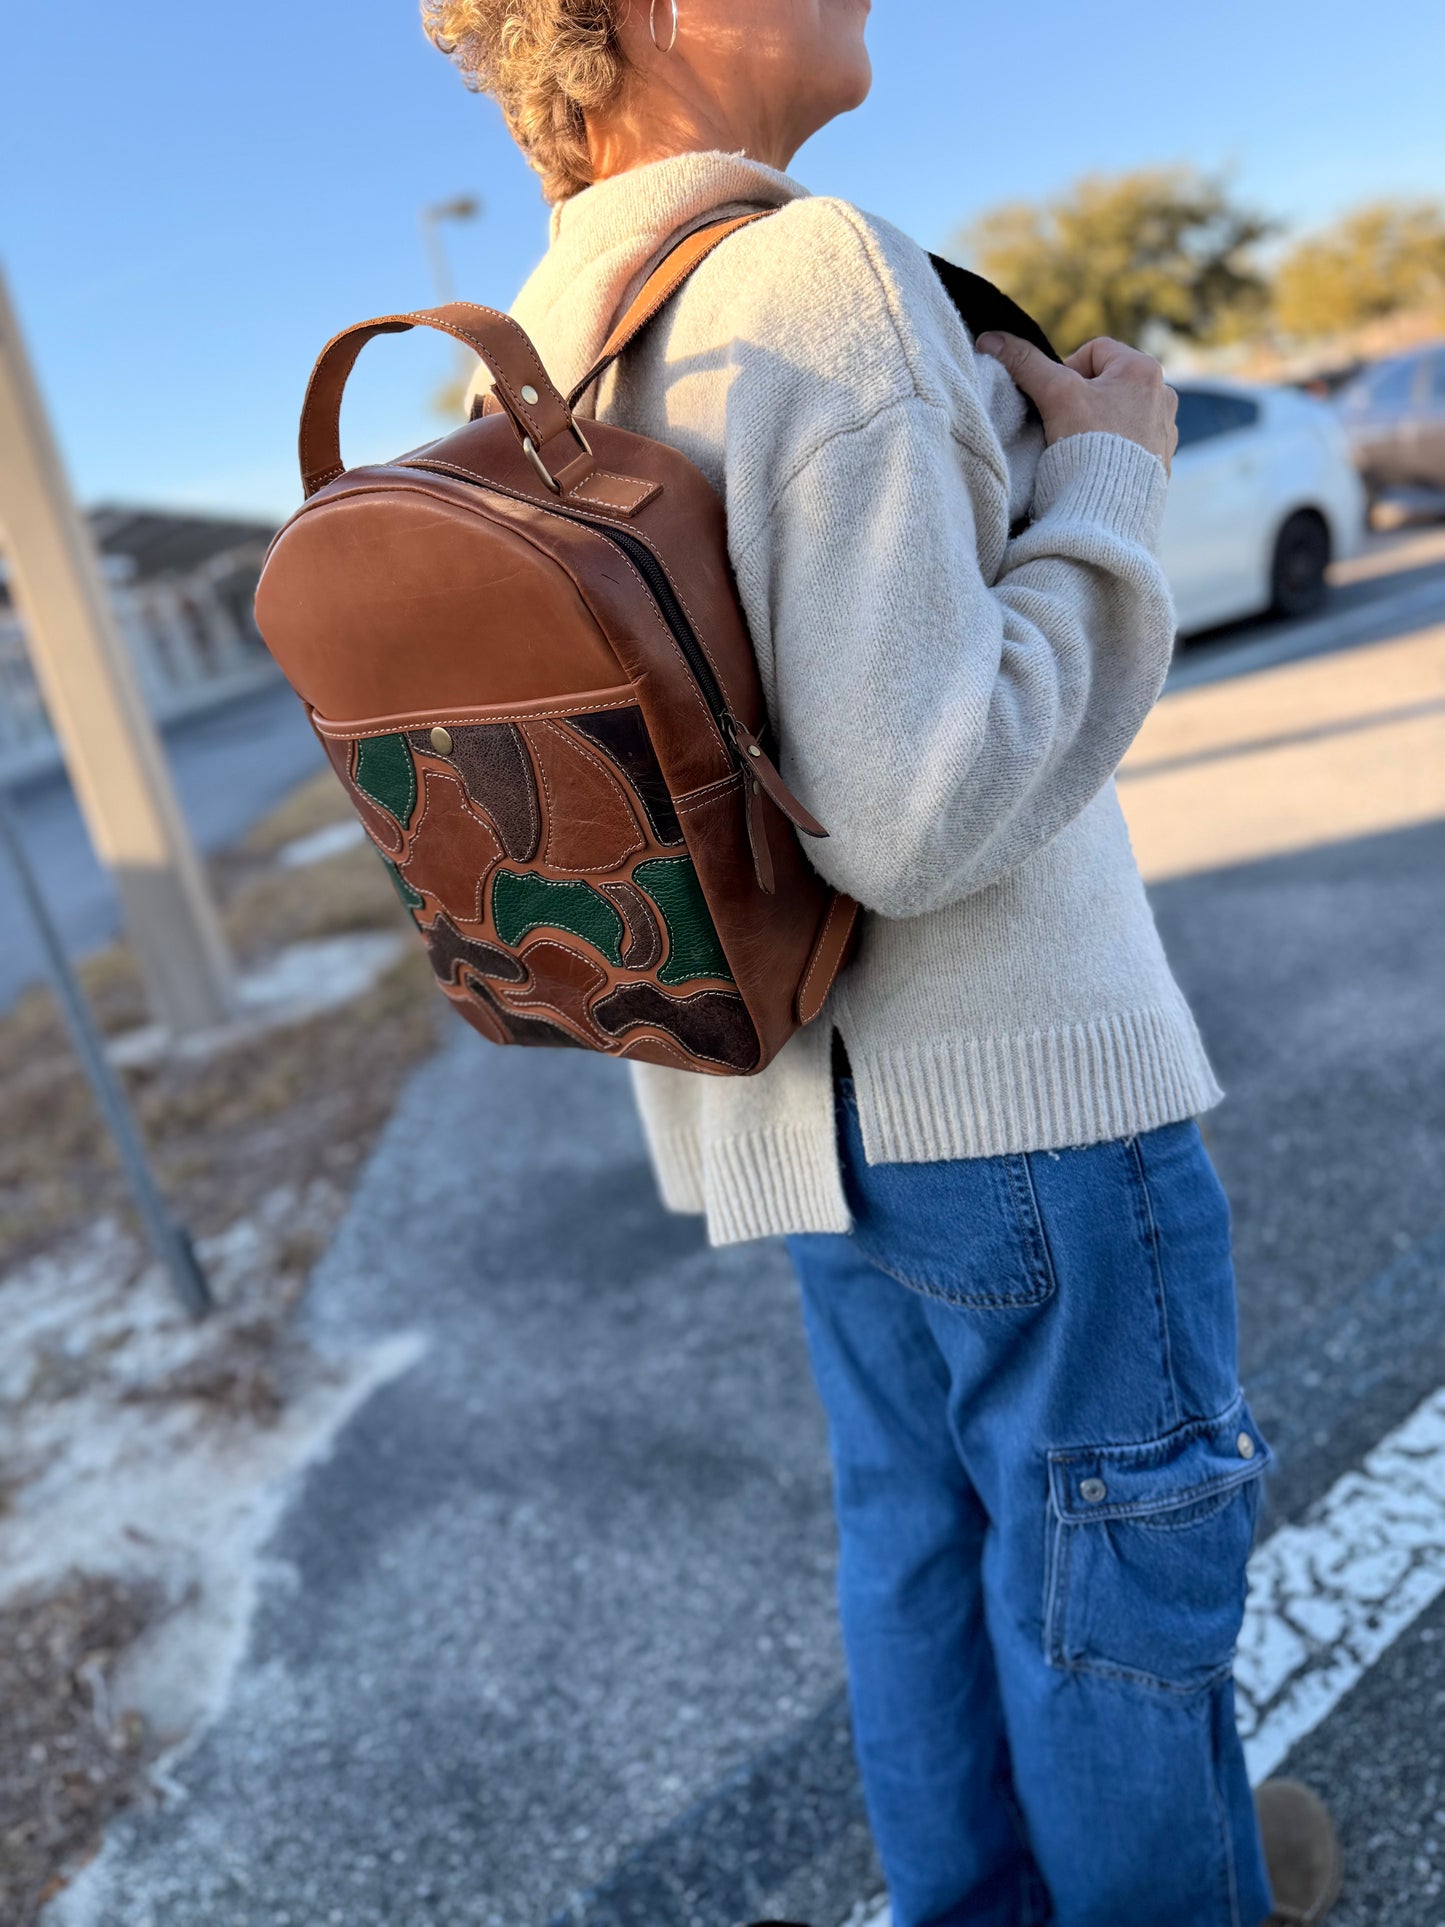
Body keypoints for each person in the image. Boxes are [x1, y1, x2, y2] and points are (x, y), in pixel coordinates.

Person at [422, 3, 1342, 1922]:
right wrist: (1105, 478)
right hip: (1005, 1079)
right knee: (1116, 1570)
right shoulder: (813, 268)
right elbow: (919, 806)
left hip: (769, 1096)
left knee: (919, 1544)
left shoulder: (566, 326)